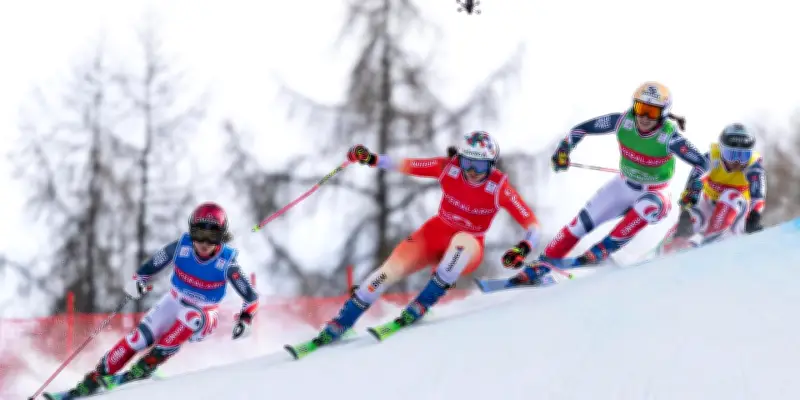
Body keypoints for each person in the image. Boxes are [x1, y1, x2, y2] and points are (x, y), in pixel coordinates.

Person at [310, 131, 541, 347]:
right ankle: (342, 322)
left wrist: (523, 247)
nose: (471, 171)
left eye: (479, 165)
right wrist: (371, 158)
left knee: (461, 244)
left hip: (469, 244)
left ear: (491, 165)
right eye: (466, 162)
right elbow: (408, 165)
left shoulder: (499, 187)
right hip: (434, 234)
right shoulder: (447, 168)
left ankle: (422, 304)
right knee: (387, 272)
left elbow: (532, 224)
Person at [45, 202, 258, 399]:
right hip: (173, 301)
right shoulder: (180, 248)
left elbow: (250, 297)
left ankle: (147, 365)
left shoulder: (227, 263)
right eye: (199, 234)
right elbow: (151, 266)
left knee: (190, 316)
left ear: (221, 237)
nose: (203, 243)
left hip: (204, 314)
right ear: (191, 231)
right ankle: (94, 378)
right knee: (137, 339)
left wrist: (245, 319)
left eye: (211, 237)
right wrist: (138, 280)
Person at [512, 82, 710, 285]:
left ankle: (603, 249)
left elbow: (702, 163)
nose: (643, 117)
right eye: (640, 108)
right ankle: (541, 265)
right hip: (623, 186)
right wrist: (564, 149)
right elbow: (580, 130)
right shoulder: (623, 121)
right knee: (579, 224)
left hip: (656, 194)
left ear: (664, 114)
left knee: (647, 206)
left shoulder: (669, 137)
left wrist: (693, 187)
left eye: (651, 112)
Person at [656, 123, 766, 255]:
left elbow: (758, 196)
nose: (737, 162)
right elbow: (691, 189)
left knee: (731, 195)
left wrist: (754, 217)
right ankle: (662, 253)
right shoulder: (711, 159)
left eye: (743, 156)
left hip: (736, 215)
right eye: (731, 154)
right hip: (709, 205)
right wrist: (686, 215)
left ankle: (709, 245)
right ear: (721, 150)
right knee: (691, 220)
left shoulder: (753, 166)